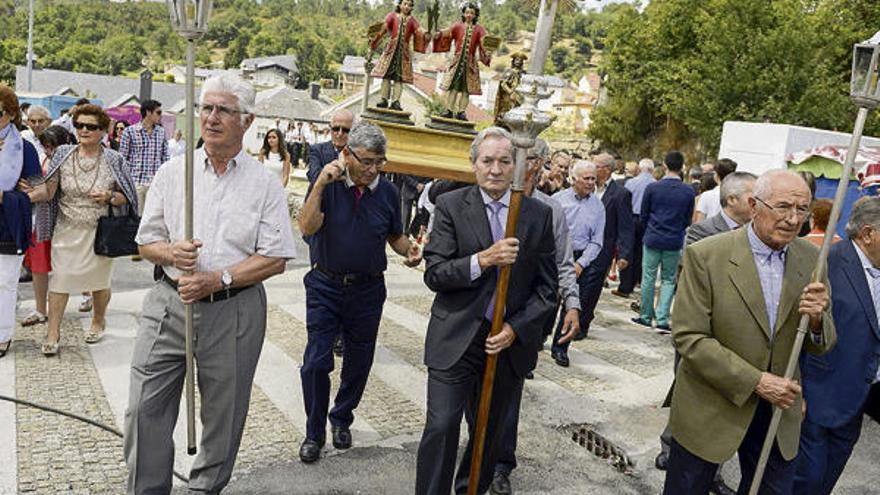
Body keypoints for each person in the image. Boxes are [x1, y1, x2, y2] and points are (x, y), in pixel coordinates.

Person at [123, 74, 296, 494]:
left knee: (223, 416)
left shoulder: (264, 184)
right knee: (143, 410)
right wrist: (171, 254)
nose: (212, 118)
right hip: (169, 302)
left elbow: (275, 257)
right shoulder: (173, 172)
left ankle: (204, 490)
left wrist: (217, 277)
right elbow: (146, 241)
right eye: (206, 108)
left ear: (247, 120)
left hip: (233, 309)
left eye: (224, 110)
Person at [663, 169, 836, 495]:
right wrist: (757, 381)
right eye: (783, 207)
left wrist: (816, 320)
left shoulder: (813, 258)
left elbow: (823, 343)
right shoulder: (706, 255)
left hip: (777, 412)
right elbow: (689, 337)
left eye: (802, 209)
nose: (793, 218)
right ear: (754, 205)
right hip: (711, 402)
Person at [415, 126, 557, 495]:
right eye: (488, 161)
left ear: (517, 166)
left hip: (504, 344)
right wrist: (483, 259)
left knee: (487, 433)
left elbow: (546, 289)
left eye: (504, 161)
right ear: (474, 165)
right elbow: (436, 273)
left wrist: (515, 328)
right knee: (442, 425)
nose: (495, 169)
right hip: (455, 337)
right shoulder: (450, 206)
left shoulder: (537, 215)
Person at [297, 122, 421, 463]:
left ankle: (341, 418)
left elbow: (395, 236)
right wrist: (321, 182)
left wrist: (408, 250)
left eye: (379, 162)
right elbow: (306, 226)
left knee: (358, 361)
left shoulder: (387, 193)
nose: (372, 169)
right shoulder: (328, 183)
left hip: (367, 289)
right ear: (347, 154)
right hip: (325, 283)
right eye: (365, 161)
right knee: (315, 363)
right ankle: (313, 431)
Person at [653, 171, 757, 495]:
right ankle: (672, 449)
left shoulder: (757, 237)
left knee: (725, 409)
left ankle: (713, 471)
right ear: (732, 200)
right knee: (689, 397)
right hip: (700, 333)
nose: (757, 204)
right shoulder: (701, 233)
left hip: (736, 344)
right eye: (752, 198)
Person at [491, 138, 580, 494]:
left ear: (537, 164)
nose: (512, 165)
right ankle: (474, 453)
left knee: (510, 392)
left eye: (522, 159)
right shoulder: (490, 196)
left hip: (525, 317)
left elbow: (561, 263)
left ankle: (500, 465)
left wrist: (572, 303)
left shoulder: (549, 210)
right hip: (481, 314)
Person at [27, 104, 137, 355]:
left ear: (103, 130)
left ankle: (99, 320)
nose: (84, 130)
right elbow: (48, 190)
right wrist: (26, 195)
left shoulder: (114, 159)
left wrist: (110, 196)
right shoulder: (63, 154)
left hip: (101, 234)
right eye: (79, 125)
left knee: (99, 283)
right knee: (60, 280)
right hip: (66, 230)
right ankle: (53, 332)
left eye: (91, 126)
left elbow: (127, 197)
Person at [794, 196, 880, 495]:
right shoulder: (826, 264)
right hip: (818, 397)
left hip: (857, 400)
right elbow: (799, 333)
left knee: (825, 483)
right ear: (868, 234)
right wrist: (798, 389)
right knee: (806, 483)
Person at [548, 160, 604, 366]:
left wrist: (581, 263)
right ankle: (535, 342)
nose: (591, 183)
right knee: (547, 302)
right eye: (587, 178)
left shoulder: (598, 206)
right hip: (556, 255)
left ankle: (561, 347)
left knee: (573, 305)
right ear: (574, 179)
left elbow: (598, 241)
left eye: (593, 179)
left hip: (583, 258)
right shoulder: (557, 201)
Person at [19, 126, 75, 328]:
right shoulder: (44, 159)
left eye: (53, 146)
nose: (49, 150)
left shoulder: (71, 161)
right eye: (46, 146)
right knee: (38, 266)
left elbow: (48, 192)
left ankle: (85, 300)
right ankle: (41, 308)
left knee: (68, 266)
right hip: (41, 219)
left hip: (65, 220)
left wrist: (21, 197)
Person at [632, 151, 694, 333]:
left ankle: (645, 315)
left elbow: (644, 214)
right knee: (668, 279)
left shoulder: (653, 188)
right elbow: (687, 219)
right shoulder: (688, 191)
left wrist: (651, 226)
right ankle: (662, 318)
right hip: (674, 239)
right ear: (682, 167)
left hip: (652, 236)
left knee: (648, 277)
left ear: (665, 165)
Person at [0, 85, 41, 358]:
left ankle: (2, 335)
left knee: (5, 282)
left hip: (8, 223)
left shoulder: (24, 148)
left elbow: (40, 190)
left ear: (12, 114)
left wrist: (7, 196)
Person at [432, 2, 494, 120]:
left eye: (472, 13)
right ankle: (449, 110)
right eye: (467, 12)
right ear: (463, 14)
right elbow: (447, 33)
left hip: (470, 64)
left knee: (466, 90)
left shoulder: (480, 29)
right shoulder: (457, 26)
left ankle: (461, 112)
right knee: (453, 88)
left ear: (476, 15)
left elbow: (484, 43)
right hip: (457, 62)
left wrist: (488, 51)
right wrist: (438, 34)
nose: (469, 15)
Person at [370, 0, 430, 111]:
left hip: (403, 52)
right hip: (390, 50)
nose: (407, 7)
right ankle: (384, 99)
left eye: (409, 5)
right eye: (405, 4)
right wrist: (375, 38)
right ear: (399, 5)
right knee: (386, 76)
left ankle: (396, 101)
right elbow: (383, 28)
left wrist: (426, 34)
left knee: (399, 78)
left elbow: (419, 30)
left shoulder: (412, 20)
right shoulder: (392, 16)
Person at [119, 99, 169, 221]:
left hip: (155, 183)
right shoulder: (130, 132)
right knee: (137, 220)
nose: (160, 116)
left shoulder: (161, 132)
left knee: (153, 219)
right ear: (148, 112)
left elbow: (165, 157)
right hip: (137, 183)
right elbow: (123, 159)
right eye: (158, 112)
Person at [615, 158, 656, 298]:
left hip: (631, 217)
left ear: (639, 169)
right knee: (640, 252)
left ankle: (625, 286)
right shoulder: (655, 184)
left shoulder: (631, 182)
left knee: (627, 251)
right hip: (647, 221)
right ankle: (635, 281)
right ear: (652, 170)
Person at [308, 110, 354, 185]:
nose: (339, 134)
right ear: (330, 127)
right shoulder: (317, 150)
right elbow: (314, 177)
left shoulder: (357, 153)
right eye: (336, 129)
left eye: (345, 130)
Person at [694, 158, 737, 222]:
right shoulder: (737, 195)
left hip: (708, 230)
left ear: (716, 175)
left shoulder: (706, 195)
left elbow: (699, 221)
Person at [493, 52, 526, 127]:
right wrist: (510, 92)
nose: (518, 62)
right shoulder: (509, 71)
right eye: (517, 59)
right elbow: (503, 84)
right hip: (508, 97)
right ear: (513, 61)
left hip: (519, 97)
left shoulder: (523, 73)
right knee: (506, 112)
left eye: (520, 60)